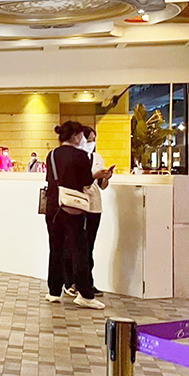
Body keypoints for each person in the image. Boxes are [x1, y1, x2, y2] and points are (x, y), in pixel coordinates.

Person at [43, 121, 110, 310]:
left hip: (53, 207)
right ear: (74, 136)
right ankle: (85, 294)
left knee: (56, 248)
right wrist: (96, 175)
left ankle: (54, 291)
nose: (83, 139)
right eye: (81, 135)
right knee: (79, 250)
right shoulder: (80, 155)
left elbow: (51, 178)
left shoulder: (52, 154)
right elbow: (86, 182)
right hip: (73, 208)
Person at [80, 126, 113, 296]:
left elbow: (102, 186)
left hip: (94, 206)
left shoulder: (97, 158)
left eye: (94, 139)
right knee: (79, 245)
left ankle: (87, 281)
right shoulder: (76, 158)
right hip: (79, 204)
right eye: (89, 139)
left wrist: (106, 177)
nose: (91, 143)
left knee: (89, 245)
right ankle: (75, 282)